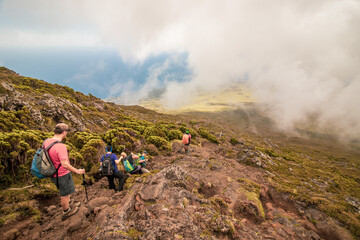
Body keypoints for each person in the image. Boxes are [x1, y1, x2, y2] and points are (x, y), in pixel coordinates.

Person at [43, 123, 85, 221]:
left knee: (66, 192)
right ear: (64, 132)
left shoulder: (47, 141)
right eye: (66, 132)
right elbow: (64, 164)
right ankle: (66, 211)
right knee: (64, 195)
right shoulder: (61, 146)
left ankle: (69, 203)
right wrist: (77, 171)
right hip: (62, 174)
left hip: (53, 172)